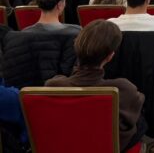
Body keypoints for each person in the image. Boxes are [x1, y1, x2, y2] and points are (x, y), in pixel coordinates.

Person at [46, 20, 146, 152]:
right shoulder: (123, 90)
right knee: (141, 122)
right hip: (107, 147)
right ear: (110, 56)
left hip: (65, 146)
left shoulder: (53, 86)